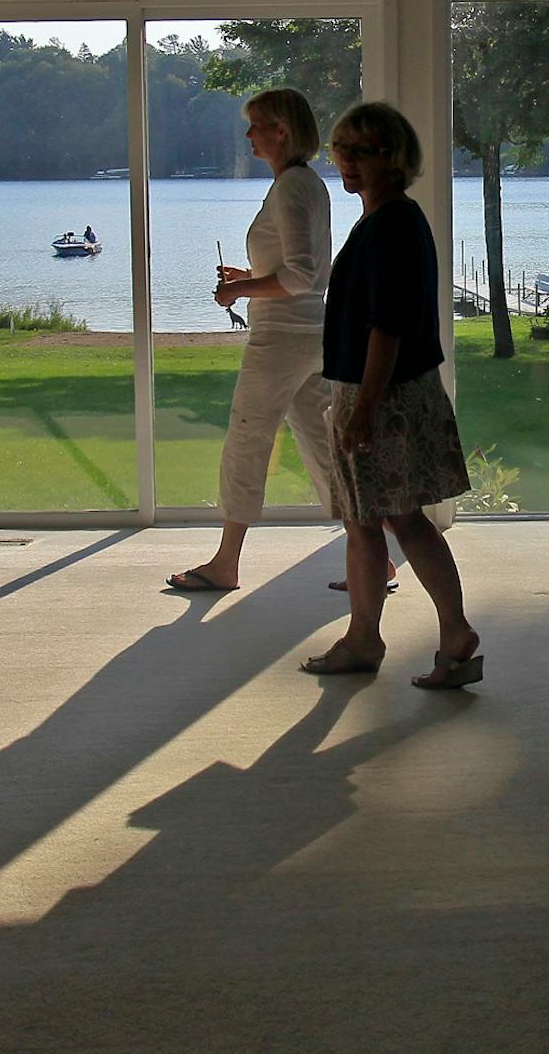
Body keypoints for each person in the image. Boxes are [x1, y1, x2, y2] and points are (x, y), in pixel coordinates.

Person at [299, 102, 480, 689]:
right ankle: (439, 633)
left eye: (361, 151)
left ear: (392, 158)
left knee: (370, 521)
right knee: (399, 519)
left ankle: (373, 638)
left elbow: (386, 327)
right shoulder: (391, 219)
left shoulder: (390, 226)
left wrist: (365, 410)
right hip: (395, 392)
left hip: (383, 396)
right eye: (342, 150)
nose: (346, 162)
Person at [168, 88, 348, 593]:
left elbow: (304, 275)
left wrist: (239, 288)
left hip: (283, 338)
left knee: (247, 438)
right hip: (312, 333)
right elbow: (303, 273)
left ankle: (226, 563)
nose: (248, 134)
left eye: (256, 125)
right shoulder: (307, 184)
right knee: (320, 443)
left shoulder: (292, 186)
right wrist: (251, 275)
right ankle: (372, 557)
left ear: (281, 130)